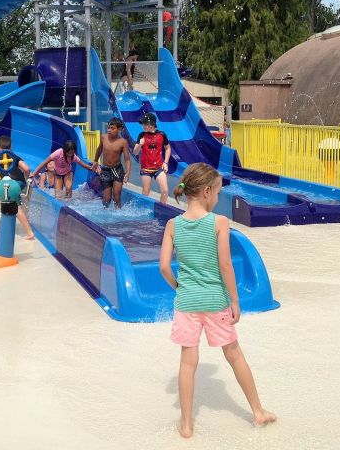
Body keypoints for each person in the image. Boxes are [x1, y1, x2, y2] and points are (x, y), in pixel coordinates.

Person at [159, 162, 277, 438]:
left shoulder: (173, 225)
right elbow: (225, 264)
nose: (218, 199)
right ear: (207, 192)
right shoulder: (218, 223)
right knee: (234, 355)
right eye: (218, 194)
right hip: (215, 300)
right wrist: (235, 301)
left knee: (188, 361)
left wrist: (179, 287)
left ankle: (187, 424)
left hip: (187, 302)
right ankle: (258, 411)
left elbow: (164, 266)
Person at [0, 135, 35, 240]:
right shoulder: (14, 156)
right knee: (14, 203)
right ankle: (19, 224)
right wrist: (28, 178)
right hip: (20, 183)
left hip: (10, 186)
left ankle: (29, 233)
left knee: (16, 207)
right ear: (10, 147)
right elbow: (27, 168)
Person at [30, 139, 94, 199]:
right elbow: (43, 163)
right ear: (64, 150)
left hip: (67, 173)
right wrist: (34, 174)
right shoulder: (57, 153)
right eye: (69, 153)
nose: (70, 154)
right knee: (58, 195)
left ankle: (69, 205)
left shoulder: (73, 156)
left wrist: (92, 168)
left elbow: (83, 165)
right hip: (57, 174)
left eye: (72, 152)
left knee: (68, 188)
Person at [132, 112, 171, 204]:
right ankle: (143, 209)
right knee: (146, 192)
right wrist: (139, 145)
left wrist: (165, 163)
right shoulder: (141, 135)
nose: (143, 126)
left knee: (165, 191)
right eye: (143, 124)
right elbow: (135, 152)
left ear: (151, 124)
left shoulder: (162, 135)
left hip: (159, 168)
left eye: (145, 124)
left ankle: (161, 209)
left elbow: (168, 148)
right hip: (146, 168)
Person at [92, 117, 132, 208]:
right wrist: (95, 160)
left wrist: (128, 172)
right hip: (105, 170)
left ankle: (118, 215)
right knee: (107, 198)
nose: (109, 130)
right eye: (108, 128)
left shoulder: (123, 142)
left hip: (117, 170)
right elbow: (99, 149)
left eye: (112, 128)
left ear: (119, 129)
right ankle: (105, 214)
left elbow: (127, 159)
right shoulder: (104, 137)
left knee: (117, 196)